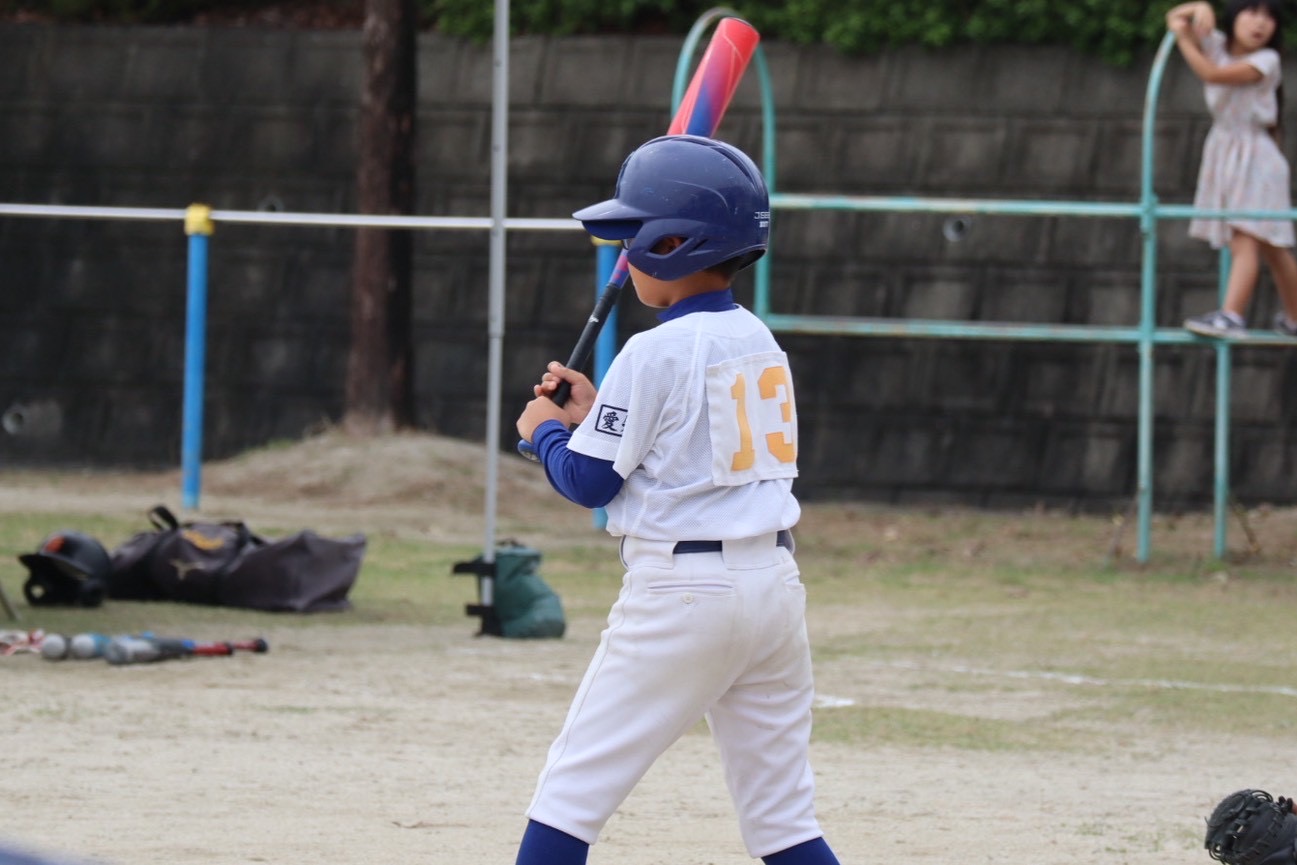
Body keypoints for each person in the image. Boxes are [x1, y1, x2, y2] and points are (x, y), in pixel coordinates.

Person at [513, 134, 841, 865]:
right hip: (772, 588)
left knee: (568, 796)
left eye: (634, 237)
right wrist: (592, 415)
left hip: (682, 594)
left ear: (672, 244)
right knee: (783, 821)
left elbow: (589, 482)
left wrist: (545, 433)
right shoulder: (760, 340)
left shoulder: (651, 350)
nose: (625, 254)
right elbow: (674, 445)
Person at [1169, 0, 1297, 339]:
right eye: (1252, 12)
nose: (1260, 23)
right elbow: (1175, 17)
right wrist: (1200, 7)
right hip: (1227, 151)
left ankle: (1231, 316)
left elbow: (1213, 75)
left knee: (1245, 239)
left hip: (1255, 156)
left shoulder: (1266, 60)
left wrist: (1184, 40)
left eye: (1269, 17)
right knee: (1272, 247)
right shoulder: (1218, 45)